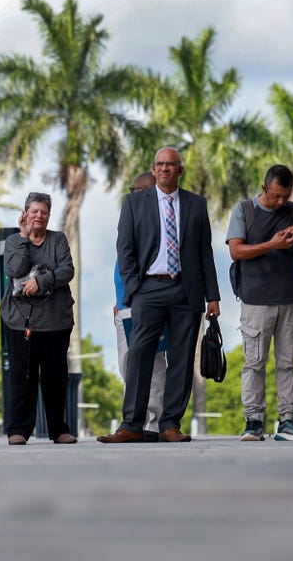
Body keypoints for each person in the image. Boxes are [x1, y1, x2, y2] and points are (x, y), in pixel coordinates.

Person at [99, 147, 220, 444]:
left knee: (180, 359)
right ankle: (131, 425)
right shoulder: (134, 203)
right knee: (139, 355)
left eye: (171, 164)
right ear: (153, 170)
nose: (165, 169)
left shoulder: (195, 204)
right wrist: (133, 289)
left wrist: (213, 296)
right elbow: (124, 250)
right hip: (148, 289)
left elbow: (205, 252)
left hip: (186, 290)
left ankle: (169, 425)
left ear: (180, 170)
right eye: (160, 164)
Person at [226, 164, 293, 442]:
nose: (280, 201)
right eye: (276, 195)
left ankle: (288, 421)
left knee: (288, 363)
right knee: (254, 362)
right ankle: (253, 421)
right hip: (256, 300)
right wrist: (272, 245)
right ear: (264, 188)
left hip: (291, 298)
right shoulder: (244, 211)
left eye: (285, 196)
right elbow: (235, 251)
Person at [2, 192, 77, 445]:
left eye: (44, 212)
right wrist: (24, 237)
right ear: (25, 214)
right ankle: (19, 430)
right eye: (34, 211)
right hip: (20, 322)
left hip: (56, 321)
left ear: (49, 215)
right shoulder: (14, 241)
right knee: (22, 377)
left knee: (56, 378)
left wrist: (41, 281)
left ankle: (59, 430)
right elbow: (14, 270)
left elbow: (67, 270)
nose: (39, 216)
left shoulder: (58, 240)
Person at [113, 171, 166, 442]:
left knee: (154, 365)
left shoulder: (157, 221)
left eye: (134, 190)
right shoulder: (131, 217)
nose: (130, 194)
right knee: (128, 366)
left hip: (145, 305)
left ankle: (152, 423)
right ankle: (134, 420)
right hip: (124, 307)